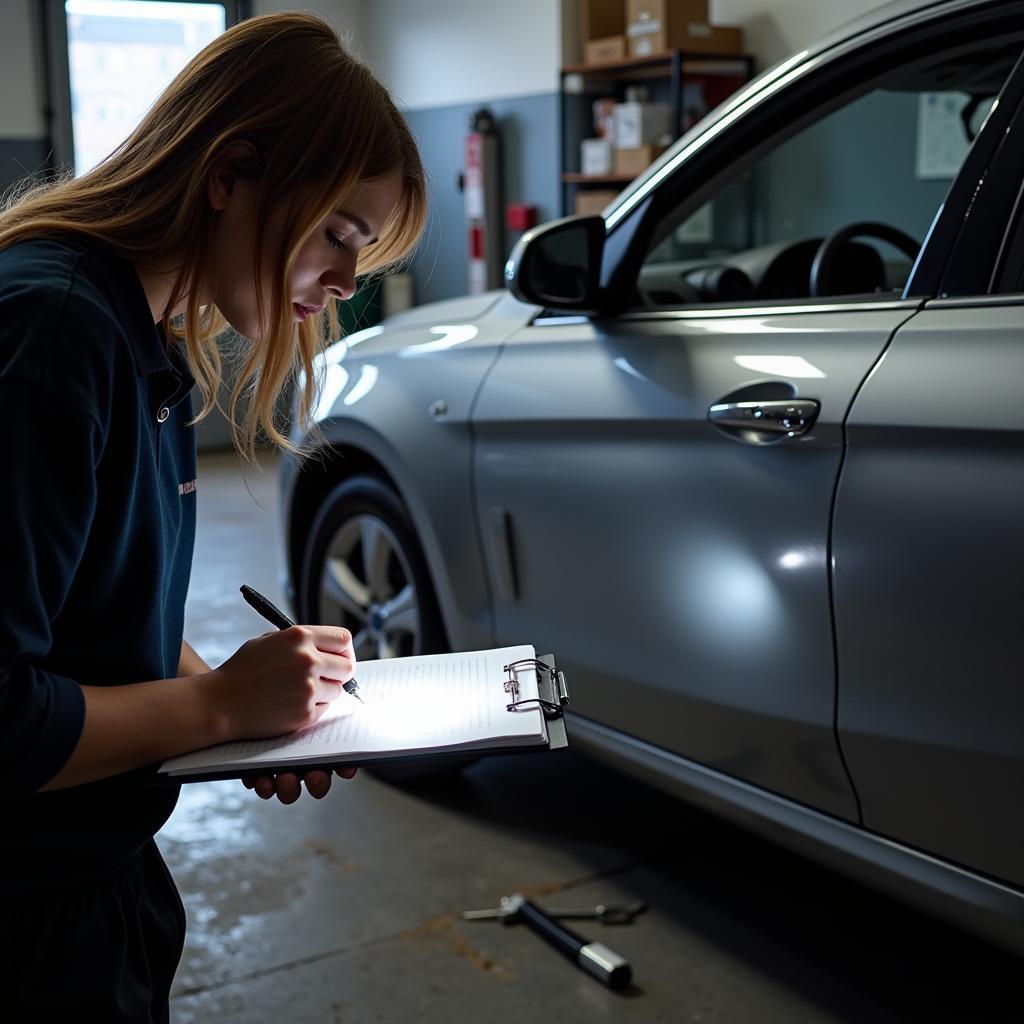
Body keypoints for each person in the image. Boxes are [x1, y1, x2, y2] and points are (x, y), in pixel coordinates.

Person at [0, 12, 427, 1022]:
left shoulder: (132, 329)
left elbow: (87, 616)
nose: (344, 285)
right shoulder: (52, 333)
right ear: (230, 173)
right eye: (339, 235)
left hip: (91, 877)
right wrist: (218, 709)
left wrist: (244, 710)